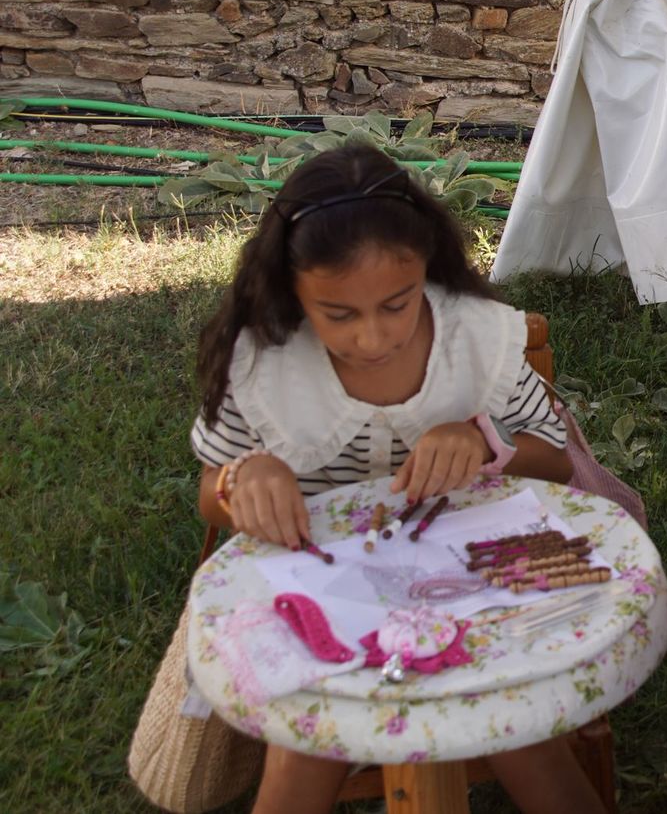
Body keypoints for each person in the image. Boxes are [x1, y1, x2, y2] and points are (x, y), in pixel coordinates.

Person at [189, 143, 606, 814]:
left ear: (426, 272)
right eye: (339, 314)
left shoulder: (474, 338)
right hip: (324, 595)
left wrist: (478, 440)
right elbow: (211, 494)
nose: (373, 338)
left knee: (511, 717)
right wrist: (245, 476)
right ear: (292, 292)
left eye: (397, 303)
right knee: (305, 741)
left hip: (473, 573)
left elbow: (554, 456)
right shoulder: (264, 360)